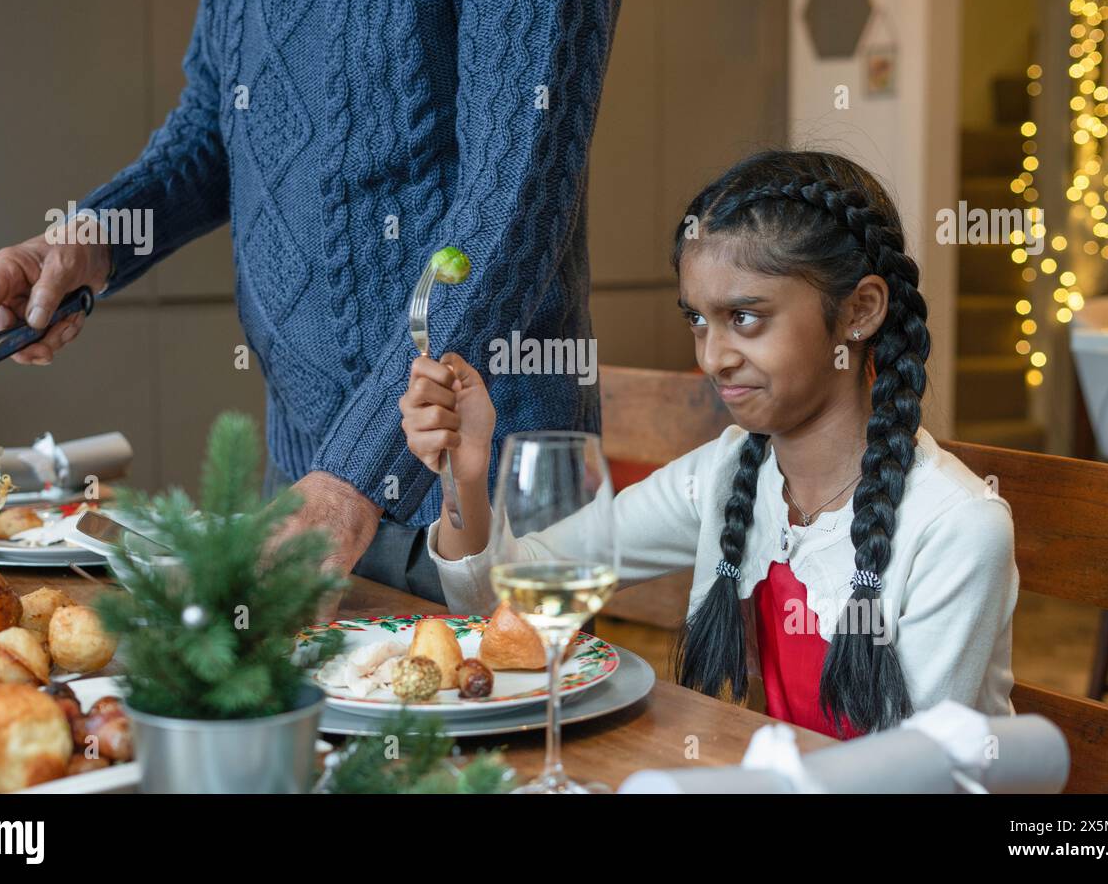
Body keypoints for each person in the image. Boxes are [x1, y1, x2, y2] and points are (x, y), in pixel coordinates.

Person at [0, 0, 628, 604]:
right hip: (302, 490)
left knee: (512, 706)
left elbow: (516, 201)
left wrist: (355, 477)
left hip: (486, 500)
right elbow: (215, 125)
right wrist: (92, 240)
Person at [399, 149, 1020, 739]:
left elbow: (918, 772)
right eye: (697, 319)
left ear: (860, 310)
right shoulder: (725, 473)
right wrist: (468, 478)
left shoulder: (958, 528)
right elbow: (507, 602)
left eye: (745, 318)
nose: (712, 358)